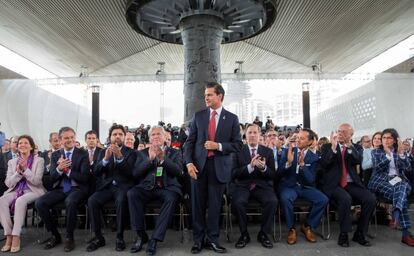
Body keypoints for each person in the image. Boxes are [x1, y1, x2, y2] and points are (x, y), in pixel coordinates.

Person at [184, 82, 242, 254]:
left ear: (220, 96)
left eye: (209, 95)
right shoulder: (198, 116)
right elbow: (189, 144)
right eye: (205, 95)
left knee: (215, 207)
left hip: (219, 168)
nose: (206, 98)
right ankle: (198, 240)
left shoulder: (232, 118)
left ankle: (213, 240)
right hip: (198, 168)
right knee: (198, 206)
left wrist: (218, 146)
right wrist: (188, 163)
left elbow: (237, 145)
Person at [128, 126, 183, 255]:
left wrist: (163, 159)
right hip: (147, 188)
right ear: (149, 138)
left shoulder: (175, 152)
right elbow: (135, 174)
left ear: (164, 137)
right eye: (153, 135)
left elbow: (178, 172)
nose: (156, 136)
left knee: (171, 198)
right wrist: (149, 160)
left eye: (159, 134)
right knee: (132, 193)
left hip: (167, 187)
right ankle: (141, 236)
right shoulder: (142, 153)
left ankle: (155, 239)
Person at [320, 123, 376, 247]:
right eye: (339, 131)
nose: (340, 133)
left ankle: (360, 233)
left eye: (344, 132)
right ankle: (344, 234)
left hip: (351, 183)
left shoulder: (355, 147)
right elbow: (324, 164)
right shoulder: (327, 147)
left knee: (370, 199)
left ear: (351, 135)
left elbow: (358, 160)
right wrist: (334, 149)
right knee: (345, 199)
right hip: (334, 185)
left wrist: (350, 146)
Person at [35, 127, 90, 252]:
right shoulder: (55, 155)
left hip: (77, 188)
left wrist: (68, 170)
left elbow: (85, 177)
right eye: (66, 138)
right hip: (61, 189)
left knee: (70, 202)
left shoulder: (83, 153)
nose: (70, 140)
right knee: (40, 203)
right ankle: (55, 235)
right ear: (60, 140)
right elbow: (52, 178)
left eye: (72, 137)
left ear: (75, 138)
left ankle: (69, 237)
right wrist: (59, 169)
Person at [86, 124, 137, 252]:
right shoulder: (103, 151)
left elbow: (130, 173)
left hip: (122, 187)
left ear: (124, 137)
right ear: (110, 137)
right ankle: (98, 238)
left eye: (120, 134)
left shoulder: (131, 152)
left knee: (121, 201)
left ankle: (120, 237)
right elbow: (96, 172)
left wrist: (120, 157)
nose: (117, 136)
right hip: (107, 187)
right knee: (92, 200)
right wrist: (105, 159)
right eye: (115, 134)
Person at [278, 129, 328, 245]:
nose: (298, 140)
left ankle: (308, 226)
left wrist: (302, 166)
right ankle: (291, 229)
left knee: (323, 199)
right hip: (289, 187)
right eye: (298, 137)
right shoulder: (287, 151)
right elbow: (278, 174)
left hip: (305, 187)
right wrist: (288, 163)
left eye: (302, 138)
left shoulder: (314, 157)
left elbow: (311, 180)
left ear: (310, 141)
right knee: (285, 198)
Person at [231, 124, 277, 249]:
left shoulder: (267, 151)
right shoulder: (238, 151)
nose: (252, 135)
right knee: (238, 202)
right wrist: (250, 167)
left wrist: (263, 168)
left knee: (272, 201)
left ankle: (263, 234)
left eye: (255, 133)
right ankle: (244, 234)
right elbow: (234, 173)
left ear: (259, 135)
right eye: (249, 132)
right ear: (245, 136)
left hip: (261, 186)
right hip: (243, 186)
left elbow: (272, 174)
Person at [368, 128, 414, 246]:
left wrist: (400, 154)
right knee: (401, 195)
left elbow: (408, 168)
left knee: (402, 186)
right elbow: (378, 168)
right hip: (381, 182)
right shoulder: (376, 152)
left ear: (394, 140)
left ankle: (396, 211)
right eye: (384, 138)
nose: (386, 140)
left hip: (398, 182)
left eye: (389, 138)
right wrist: (388, 156)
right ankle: (405, 233)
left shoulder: (398, 150)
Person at [0, 135, 45, 253]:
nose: (22, 145)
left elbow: (37, 181)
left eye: (25, 143)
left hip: (33, 191)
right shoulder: (12, 162)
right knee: (1, 200)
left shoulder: (39, 160)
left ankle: (16, 236)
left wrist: (25, 170)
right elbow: (8, 183)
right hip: (15, 190)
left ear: (31, 147)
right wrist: (18, 173)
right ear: (17, 146)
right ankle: (8, 234)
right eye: (20, 143)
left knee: (20, 201)